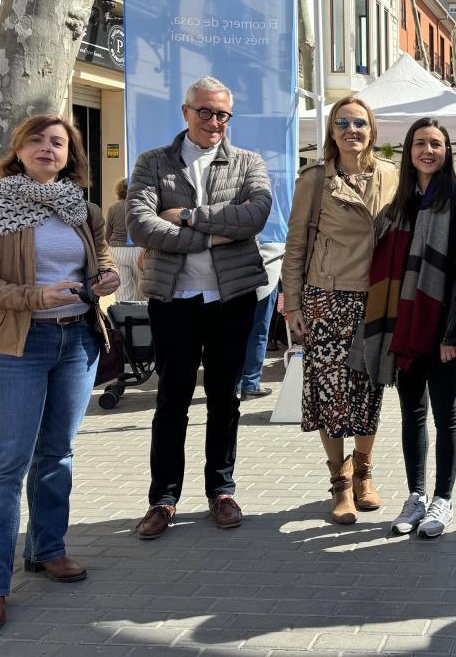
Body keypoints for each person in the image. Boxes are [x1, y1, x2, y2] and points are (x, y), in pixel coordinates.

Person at [0, 115, 120, 635]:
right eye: (37, 140)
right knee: (4, 465)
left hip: (77, 341)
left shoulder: (83, 209)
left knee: (57, 454)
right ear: (18, 150)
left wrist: (105, 276)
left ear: (71, 155)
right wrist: (33, 296)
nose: (48, 148)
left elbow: (103, 259)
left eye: (59, 142)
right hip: (15, 347)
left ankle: (48, 549)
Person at [128, 77, 271, 540]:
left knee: (226, 398)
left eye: (223, 115)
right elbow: (140, 224)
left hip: (232, 299)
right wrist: (215, 234)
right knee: (171, 401)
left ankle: (221, 491)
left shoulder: (248, 161)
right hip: (174, 301)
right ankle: (163, 499)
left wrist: (188, 218)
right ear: (185, 112)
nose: (215, 123)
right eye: (206, 113)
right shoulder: (153, 162)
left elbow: (256, 216)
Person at [350, 119, 456, 539]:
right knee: (412, 416)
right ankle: (417, 495)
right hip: (402, 328)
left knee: (446, 414)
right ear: (409, 151)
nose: (429, 150)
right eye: (421, 143)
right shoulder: (396, 208)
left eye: (437, 144)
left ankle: (443, 499)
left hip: (442, 328)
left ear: (447, 152)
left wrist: (452, 334)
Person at [281, 96, 398, 525]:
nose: (352, 129)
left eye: (360, 123)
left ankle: (364, 472)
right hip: (327, 297)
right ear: (332, 132)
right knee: (329, 395)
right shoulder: (314, 179)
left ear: (372, 132)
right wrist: (292, 303)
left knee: (370, 391)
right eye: (343, 122)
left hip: (376, 299)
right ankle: (339, 482)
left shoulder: (390, 175)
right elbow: (296, 245)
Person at [237, 240, 285, 400]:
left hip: (236, 270)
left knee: (237, 330)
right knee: (258, 331)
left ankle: (235, 383)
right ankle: (250, 384)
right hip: (268, 264)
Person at [104, 177, 143, 301]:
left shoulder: (113, 208)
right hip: (140, 250)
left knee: (122, 290)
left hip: (117, 250)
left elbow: (107, 234)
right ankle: (144, 317)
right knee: (142, 287)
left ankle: (125, 318)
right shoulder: (143, 206)